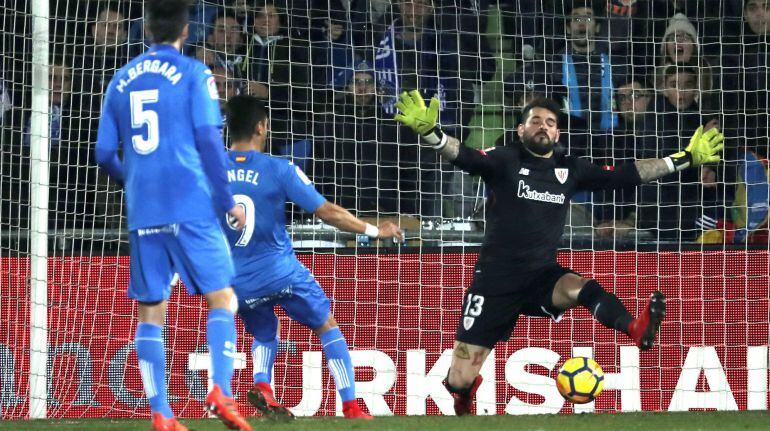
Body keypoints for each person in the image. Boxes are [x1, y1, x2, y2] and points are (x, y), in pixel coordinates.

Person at [393, 89, 724, 415]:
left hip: (541, 275)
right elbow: (465, 156)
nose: (543, 126)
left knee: (578, 287)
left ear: (558, 132)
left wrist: (684, 158)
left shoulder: (570, 169)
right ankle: (464, 396)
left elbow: (627, 174)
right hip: (494, 282)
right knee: (459, 377)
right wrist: (432, 134)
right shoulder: (505, 159)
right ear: (521, 130)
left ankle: (634, 328)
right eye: (535, 120)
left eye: (550, 122)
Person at [94, 1, 251, 430]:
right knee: (223, 297)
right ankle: (221, 389)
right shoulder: (195, 74)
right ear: (185, 29)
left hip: (143, 210)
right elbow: (208, 142)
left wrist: (135, 181)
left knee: (151, 311)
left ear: (145, 29)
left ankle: (161, 414)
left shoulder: (119, 79)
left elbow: (103, 153)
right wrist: (227, 202)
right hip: (190, 203)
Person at [221, 95, 403, 419]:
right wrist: (374, 231)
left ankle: (263, 385)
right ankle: (350, 405)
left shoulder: (210, 171)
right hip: (281, 273)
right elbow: (327, 212)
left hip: (236, 283)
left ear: (227, 129)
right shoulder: (278, 168)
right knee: (327, 325)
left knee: (265, 330)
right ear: (262, 127)